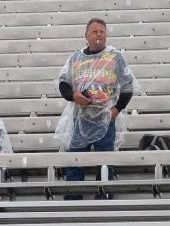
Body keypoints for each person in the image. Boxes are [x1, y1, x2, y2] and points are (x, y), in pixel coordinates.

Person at [54, 18, 139, 200]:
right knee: (76, 160)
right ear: (86, 36)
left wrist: (116, 110)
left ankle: (104, 199)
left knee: (105, 162)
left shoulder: (115, 56)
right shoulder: (75, 58)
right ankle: (72, 201)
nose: (99, 34)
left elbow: (128, 86)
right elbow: (63, 83)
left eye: (102, 31)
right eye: (95, 31)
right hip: (81, 117)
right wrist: (74, 96)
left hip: (105, 118)